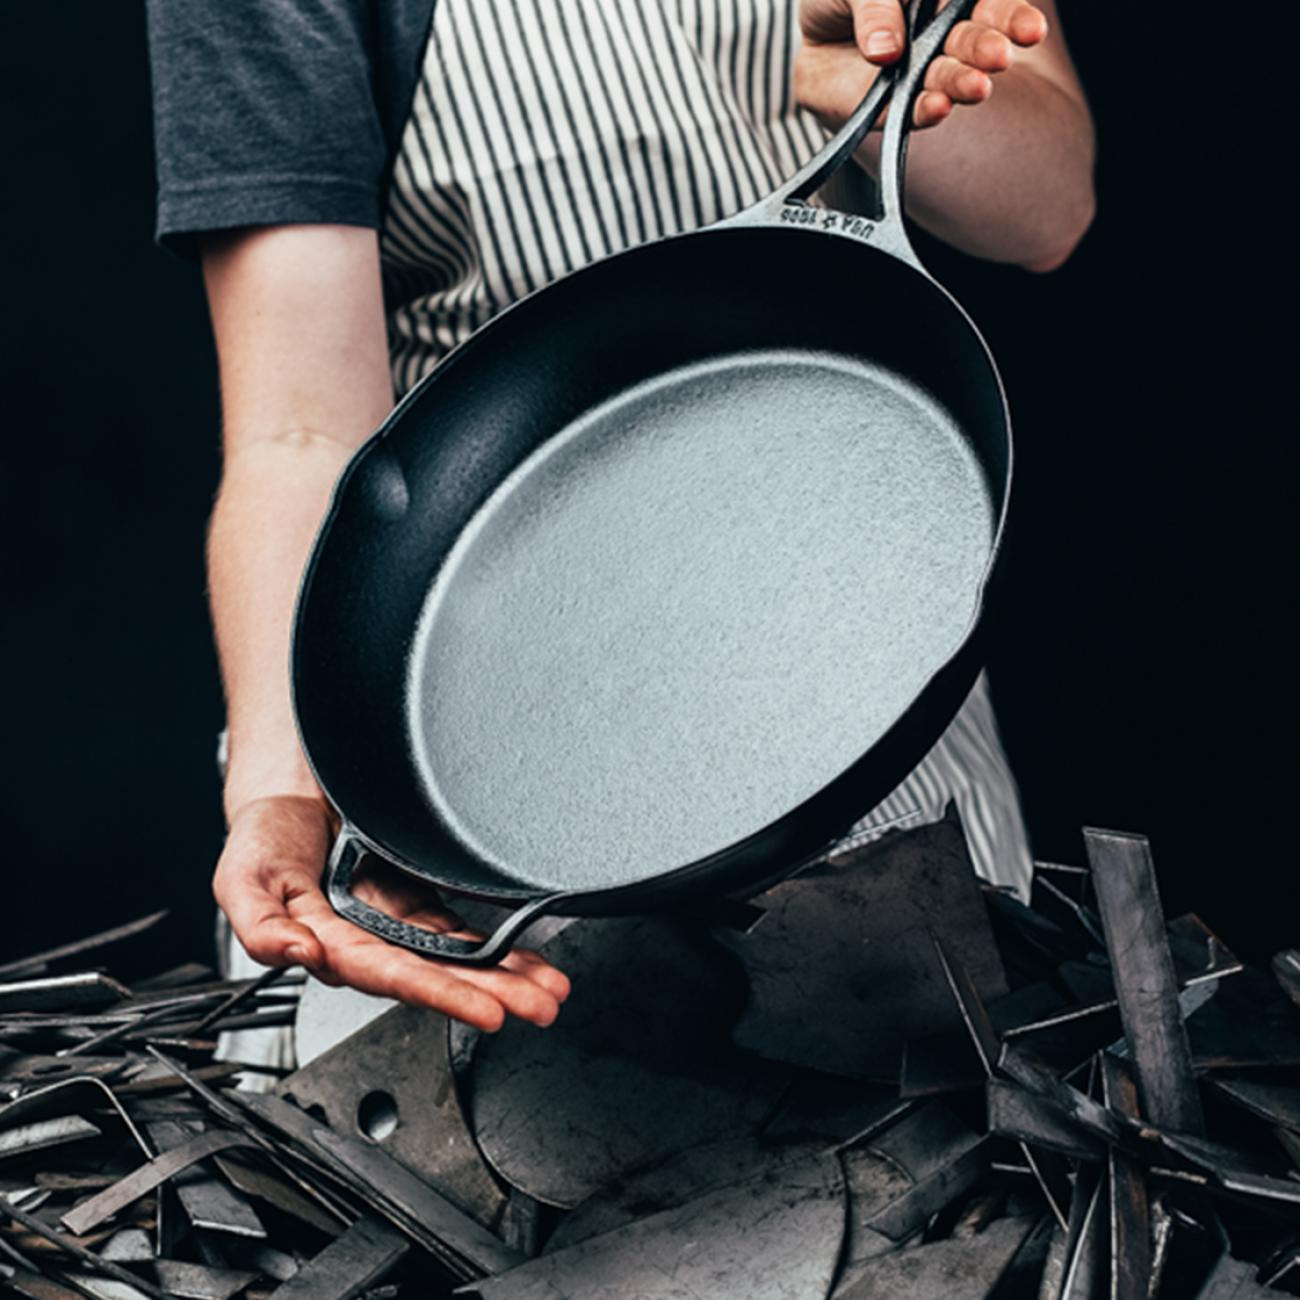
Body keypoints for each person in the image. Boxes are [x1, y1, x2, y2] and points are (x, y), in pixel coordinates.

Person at [146, 0, 1095, 1037]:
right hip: (488, 754)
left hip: (875, 729)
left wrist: (881, 103)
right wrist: (286, 786)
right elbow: (300, 433)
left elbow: (1049, 208)